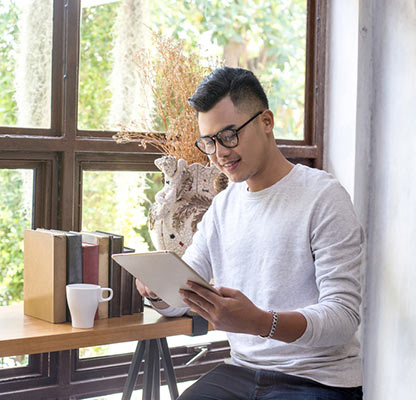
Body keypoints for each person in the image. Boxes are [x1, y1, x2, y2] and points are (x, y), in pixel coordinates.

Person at [136, 67, 364, 399]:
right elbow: (186, 293)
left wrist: (260, 322)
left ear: (266, 122)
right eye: (209, 142)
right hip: (242, 371)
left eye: (229, 136)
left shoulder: (323, 197)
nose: (220, 153)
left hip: (318, 378)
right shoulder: (223, 207)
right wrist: (158, 292)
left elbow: (343, 317)